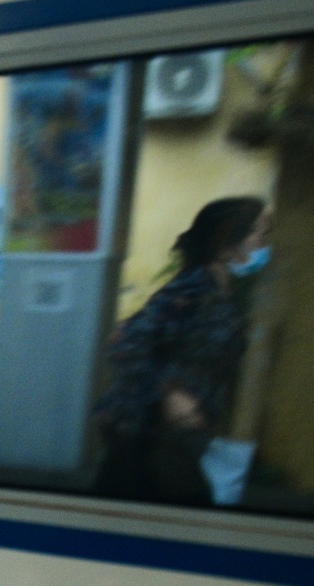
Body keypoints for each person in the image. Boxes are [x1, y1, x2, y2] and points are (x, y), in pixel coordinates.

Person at [94, 197, 270, 506]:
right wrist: (171, 393)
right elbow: (125, 341)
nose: (264, 241)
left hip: (172, 439)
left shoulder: (220, 294)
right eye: (257, 232)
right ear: (228, 242)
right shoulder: (193, 290)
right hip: (150, 436)